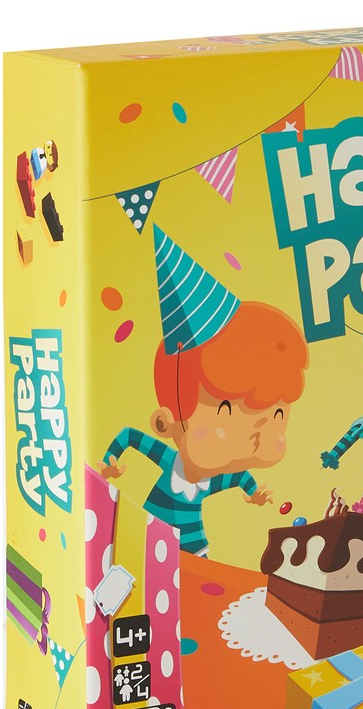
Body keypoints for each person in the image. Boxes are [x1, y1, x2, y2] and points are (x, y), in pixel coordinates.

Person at [98, 226, 309, 558]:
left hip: (194, 546)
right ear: (165, 423)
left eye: (276, 413)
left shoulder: (214, 478)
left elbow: (240, 477)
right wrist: (110, 461)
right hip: (150, 536)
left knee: (200, 571)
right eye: (225, 409)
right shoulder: (169, 459)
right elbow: (129, 436)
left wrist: (253, 494)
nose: (254, 431)